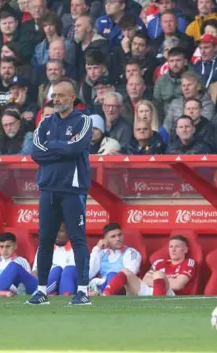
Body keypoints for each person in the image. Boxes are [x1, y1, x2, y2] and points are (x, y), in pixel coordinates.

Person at [30, 79, 92, 306]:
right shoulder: (45, 122)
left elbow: (77, 148)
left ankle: (83, 291)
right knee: (45, 239)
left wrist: (53, 146)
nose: (55, 99)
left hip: (73, 189)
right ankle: (41, 291)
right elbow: (36, 153)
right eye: (54, 95)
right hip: (48, 188)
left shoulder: (84, 121)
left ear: (72, 97)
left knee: (78, 239)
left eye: (60, 95)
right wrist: (63, 147)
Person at [100, 235, 196, 296]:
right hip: (151, 291)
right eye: (171, 246)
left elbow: (178, 285)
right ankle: (105, 296)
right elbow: (145, 280)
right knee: (125, 271)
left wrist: (160, 279)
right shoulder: (159, 262)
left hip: (169, 295)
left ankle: (157, 304)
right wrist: (161, 281)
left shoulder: (188, 262)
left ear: (185, 250)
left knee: (158, 274)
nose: (173, 249)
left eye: (177, 246)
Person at [88, 223, 142, 296]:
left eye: (120, 235)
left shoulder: (131, 253)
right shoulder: (101, 253)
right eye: (113, 236)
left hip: (123, 289)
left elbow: (129, 275)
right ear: (105, 240)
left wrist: (100, 282)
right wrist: (97, 249)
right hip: (102, 287)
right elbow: (89, 274)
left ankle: (103, 293)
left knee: (112, 275)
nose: (118, 239)